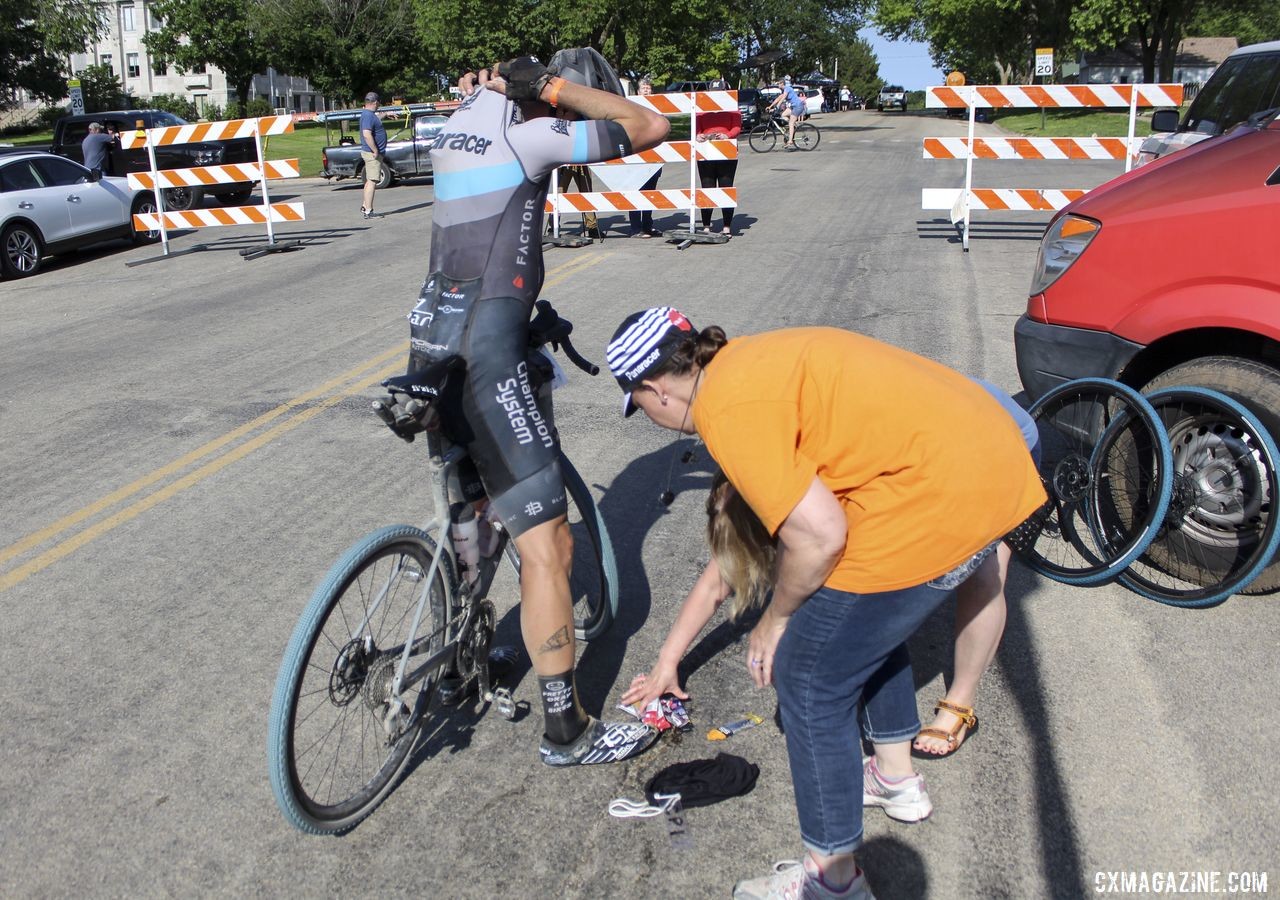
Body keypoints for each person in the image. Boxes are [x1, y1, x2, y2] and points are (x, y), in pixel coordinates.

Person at [607, 308, 1046, 898]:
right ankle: (894, 778)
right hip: (993, 459)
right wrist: (673, 657)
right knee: (857, 627)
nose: (653, 420)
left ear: (655, 389)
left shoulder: (728, 410)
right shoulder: (753, 360)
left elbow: (817, 537)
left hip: (943, 495)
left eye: (643, 408)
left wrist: (776, 618)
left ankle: (832, 882)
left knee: (809, 675)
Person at [404, 52, 669, 767]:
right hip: (486, 351)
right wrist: (560, 94)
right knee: (547, 547)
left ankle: (457, 661)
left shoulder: (463, 118)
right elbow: (651, 125)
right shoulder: (538, 132)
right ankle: (567, 732)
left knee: (473, 515)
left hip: (432, 337)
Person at [694, 104, 741, 236]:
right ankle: (706, 226)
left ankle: (726, 227)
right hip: (706, 151)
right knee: (707, 187)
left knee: (726, 187)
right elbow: (697, 128)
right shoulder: (702, 110)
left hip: (727, 151)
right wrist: (699, 135)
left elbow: (737, 127)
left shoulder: (732, 108)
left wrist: (728, 135)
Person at [628, 78, 663, 238]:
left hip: (653, 156)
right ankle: (636, 228)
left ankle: (647, 226)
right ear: (637, 92)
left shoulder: (657, 108)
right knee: (635, 190)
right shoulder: (631, 107)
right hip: (636, 155)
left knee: (650, 192)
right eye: (644, 88)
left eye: (649, 88)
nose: (647, 90)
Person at [359, 91, 388, 219]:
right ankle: (369, 211)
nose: (379, 105)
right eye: (378, 103)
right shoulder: (368, 115)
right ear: (375, 102)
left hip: (371, 153)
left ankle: (365, 206)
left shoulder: (369, 114)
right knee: (372, 181)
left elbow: (374, 122)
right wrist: (375, 150)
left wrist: (385, 115)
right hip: (372, 154)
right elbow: (366, 134)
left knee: (369, 180)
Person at [766, 79, 805, 149]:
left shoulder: (787, 88)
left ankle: (790, 141)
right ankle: (793, 126)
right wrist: (770, 106)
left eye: (778, 84)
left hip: (798, 106)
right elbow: (778, 98)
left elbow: (783, 98)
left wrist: (777, 107)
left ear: (782, 84)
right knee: (783, 115)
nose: (778, 85)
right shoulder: (784, 91)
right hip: (793, 107)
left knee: (791, 123)